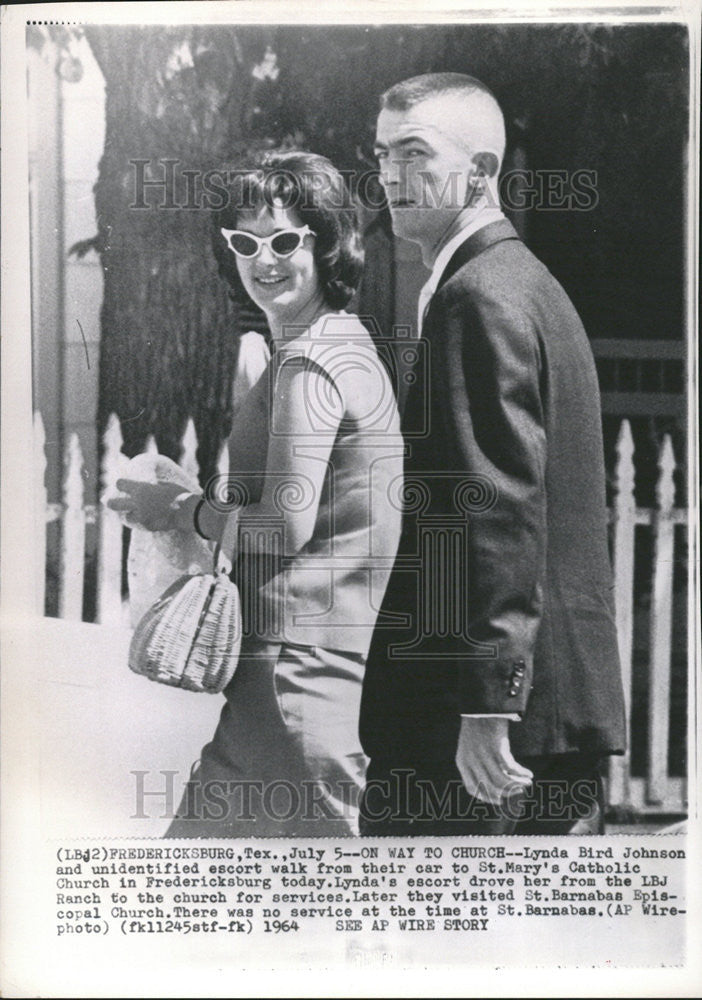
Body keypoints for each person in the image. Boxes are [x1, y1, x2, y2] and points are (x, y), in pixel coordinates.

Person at [359, 72, 627, 835]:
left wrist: (488, 703)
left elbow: (498, 507)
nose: (389, 175)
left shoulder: (479, 295)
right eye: (381, 153)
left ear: (481, 172)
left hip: (480, 727)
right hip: (542, 708)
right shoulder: (522, 284)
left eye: (414, 153)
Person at [110, 151, 403, 836]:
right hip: (302, 672)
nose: (262, 259)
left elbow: (284, 525)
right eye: (243, 242)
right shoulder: (346, 342)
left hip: (287, 678)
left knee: (231, 908)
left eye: (284, 240)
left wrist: (181, 511)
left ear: (326, 241)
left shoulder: (308, 361)